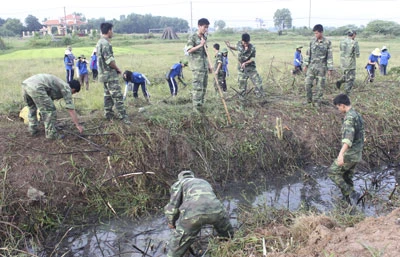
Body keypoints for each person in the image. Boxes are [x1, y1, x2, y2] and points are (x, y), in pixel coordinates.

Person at [164, 170, 234, 257]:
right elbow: (211, 197)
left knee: (176, 248)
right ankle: (229, 251)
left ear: (180, 178)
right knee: (228, 236)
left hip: (193, 215)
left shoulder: (179, 183)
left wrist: (171, 222)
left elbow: (173, 206)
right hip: (217, 210)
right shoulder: (204, 182)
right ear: (192, 176)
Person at [21, 74, 83, 139]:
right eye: (74, 92)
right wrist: (77, 125)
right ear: (73, 89)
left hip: (25, 84)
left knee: (32, 107)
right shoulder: (67, 88)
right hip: (37, 87)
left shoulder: (59, 84)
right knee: (50, 110)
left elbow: (47, 98)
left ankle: (32, 129)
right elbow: (71, 109)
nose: (72, 94)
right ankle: (51, 134)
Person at [328, 94, 364, 205]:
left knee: (333, 172)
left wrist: (341, 155)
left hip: (350, 154)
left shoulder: (349, 118)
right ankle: (349, 203)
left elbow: (348, 139)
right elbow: (360, 134)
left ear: (342, 105)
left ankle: (352, 194)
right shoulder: (356, 115)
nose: (338, 110)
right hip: (357, 154)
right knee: (347, 176)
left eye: (338, 107)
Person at [96, 22, 130, 124]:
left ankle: (108, 114)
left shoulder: (99, 42)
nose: (113, 32)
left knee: (107, 95)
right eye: (112, 30)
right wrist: (118, 69)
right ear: (109, 30)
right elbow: (109, 61)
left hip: (103, 74)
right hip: (109, 74)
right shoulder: (106, 44)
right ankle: (123, 116)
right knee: (117, 95)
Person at [303, 24, 333, 106]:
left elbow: (329, 56)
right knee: (307, 84)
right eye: (314, 33)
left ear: (321, 32)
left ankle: (317, 101)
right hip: (311, 67)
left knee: (320, 86)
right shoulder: (312, 41)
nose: (315, 35)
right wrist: (305, 65)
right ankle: (308, 100)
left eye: (317, 33)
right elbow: (308, 54)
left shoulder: (327, 42)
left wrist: (330, 69)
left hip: (321, 68)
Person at [185, 18, 211, 112]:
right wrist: (200, 44)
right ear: (199, 26)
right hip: (197, 67)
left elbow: (205, 53)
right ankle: (196, 109)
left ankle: (201, 106)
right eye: (205, 27)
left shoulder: (204, 37)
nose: (206, 29)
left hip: (204, 67)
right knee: (197, 89)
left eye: (207, 27)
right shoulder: (192, 37)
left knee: (204, 88)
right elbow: (189, 50)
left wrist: (208, 65)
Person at [336, 30, 360, 95]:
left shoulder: (342, 41)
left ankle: (339, 81)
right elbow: (357, 54)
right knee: (351, 78)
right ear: (354, 34)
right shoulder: (354, 42)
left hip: (343, 62)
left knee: (346, 75)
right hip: (350, 63)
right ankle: (347, 93)